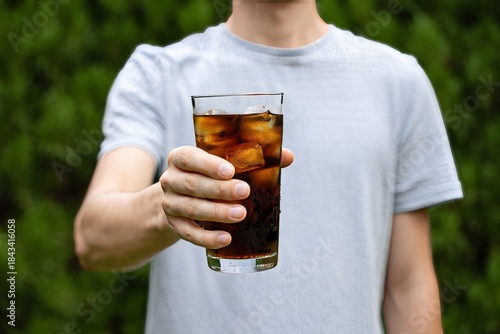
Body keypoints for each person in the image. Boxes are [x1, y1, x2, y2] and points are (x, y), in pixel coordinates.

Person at [74, 0, 463, 333]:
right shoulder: (156, 74)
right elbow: (93, 240)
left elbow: (408, 285)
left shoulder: (398, 82)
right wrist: (168, 205)